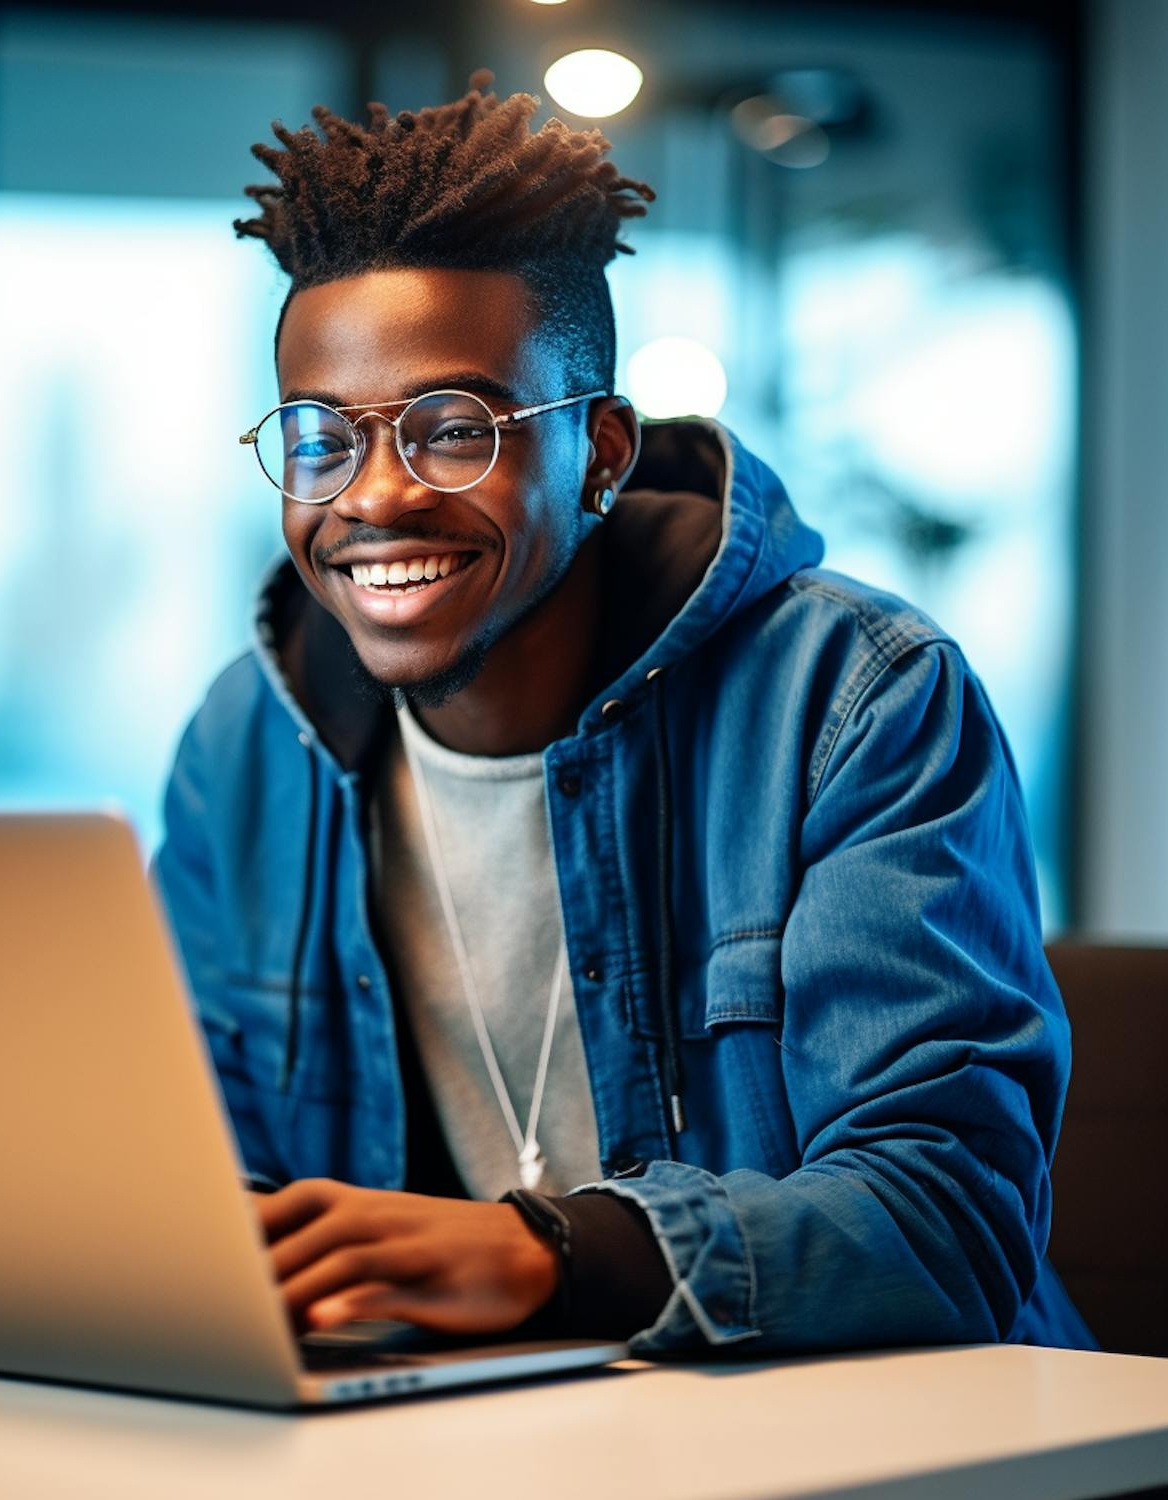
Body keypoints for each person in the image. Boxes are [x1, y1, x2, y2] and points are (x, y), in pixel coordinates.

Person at [151, 71, 1094, 1353]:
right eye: (322, 436)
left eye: (449, 430)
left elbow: (948, 1222)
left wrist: (549, 1258)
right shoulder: (247, 744)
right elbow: (194, 1178)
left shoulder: (856, 697)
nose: (373, 498)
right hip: (453, 1439)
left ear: (599, 451)